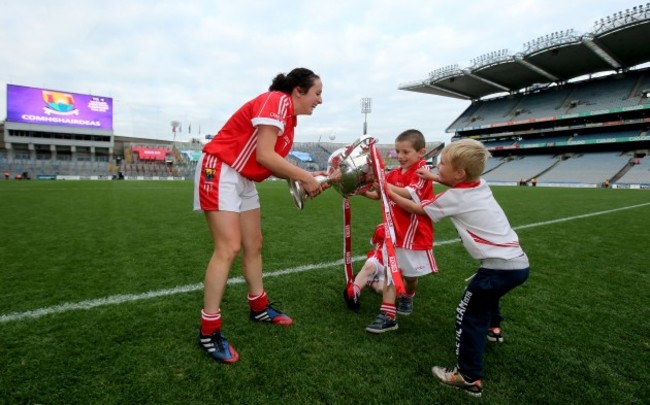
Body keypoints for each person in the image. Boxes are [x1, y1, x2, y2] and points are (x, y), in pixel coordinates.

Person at [193, 67, 325, 364]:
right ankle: (208, 330)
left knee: (254, 243)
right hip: (221, 169)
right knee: (228, 248)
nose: (320, 100)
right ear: (298, 91)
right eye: (317, 93)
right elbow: (265, 156)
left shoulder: (288, 119)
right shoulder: (278, 100)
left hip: (242, 177)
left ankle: (259, 307)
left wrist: (305, 176)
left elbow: (272, 161)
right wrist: (303, 175)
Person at [386, 138, 530, 397]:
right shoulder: (480, 184)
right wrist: (435, 176)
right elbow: (456, 181)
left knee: (468, 313)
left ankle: (468, 376)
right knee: (488, 298)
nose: (437, 166)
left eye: (442, 164)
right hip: (516, 263)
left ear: (460, 172)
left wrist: (388, 191)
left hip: (498, 267)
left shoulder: (456, 197)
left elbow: (418, 208)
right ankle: (494, 329)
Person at [361, 129, 437, 333]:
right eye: (397, 152)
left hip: (414, 234)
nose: (401, 157)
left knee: (410, 278)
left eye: (406, 152)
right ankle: (388, 315)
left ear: (421, 152)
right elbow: (380, 195)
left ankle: (408, 295)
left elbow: (410, 194)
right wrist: (363, 192)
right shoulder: (394, 174)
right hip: (394, 231)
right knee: (391, 271)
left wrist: (386, 186)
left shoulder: (423, 171)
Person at [343, 223, 387, 310]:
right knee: (369, 266)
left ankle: (369, 281)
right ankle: (353, 292)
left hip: (391, 267)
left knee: (381, 290)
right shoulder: (381, 228)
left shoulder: (407, 232)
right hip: (378, 259)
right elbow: (373, 242)